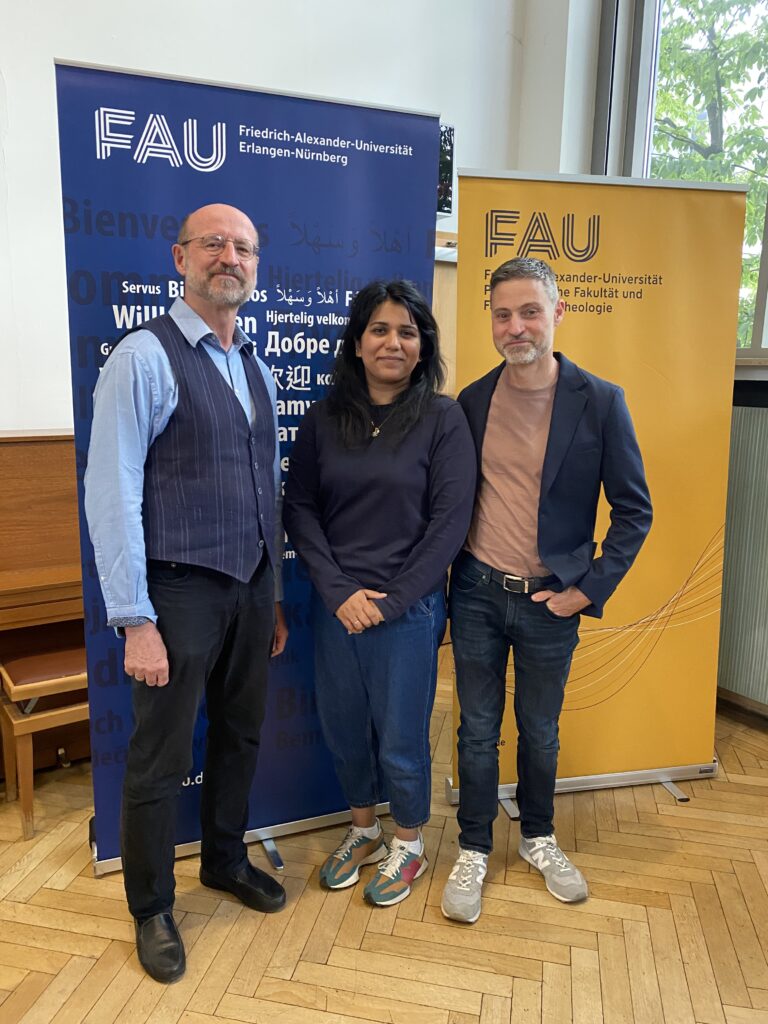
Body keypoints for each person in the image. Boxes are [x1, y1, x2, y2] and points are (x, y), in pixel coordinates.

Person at [85, 204, 288, 983]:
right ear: (180, 259)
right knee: (159, 756)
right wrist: (135, 618)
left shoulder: (256, 367)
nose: (229, 257)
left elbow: (261, 488)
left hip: (250, 589)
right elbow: (112, 492)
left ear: (255, 266)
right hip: (176, 593)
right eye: (214, 244)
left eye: (244, 246)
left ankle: (225, 862)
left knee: (238, 736)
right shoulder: (143, 356)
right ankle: (151, 907)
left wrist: (269, 596)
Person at [441, 256, 652, 923]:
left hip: (550, 600)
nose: (515, 326)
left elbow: (634, 509)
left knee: (540, 730)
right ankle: (474, 846)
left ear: (558, 313)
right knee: (476, 731)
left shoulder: (601, 401)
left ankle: (537, 837)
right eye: (503, 314)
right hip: (475, 591)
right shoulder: (470, 402)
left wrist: (587, 589)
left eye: (530, 311)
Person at [284, 280, 475, 907]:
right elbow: (301, 509)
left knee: (400, 736)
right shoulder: (324, 418)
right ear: (358, 343)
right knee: (343, 729)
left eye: (408, 332)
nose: (394, 342)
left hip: (408, 611)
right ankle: (363, 830)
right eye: (380, 330)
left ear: (423, 348)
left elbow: (449, 523)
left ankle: (410, 844)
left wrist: (390, 601)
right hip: (337, 607)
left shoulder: (443, 419)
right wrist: (340, 594)